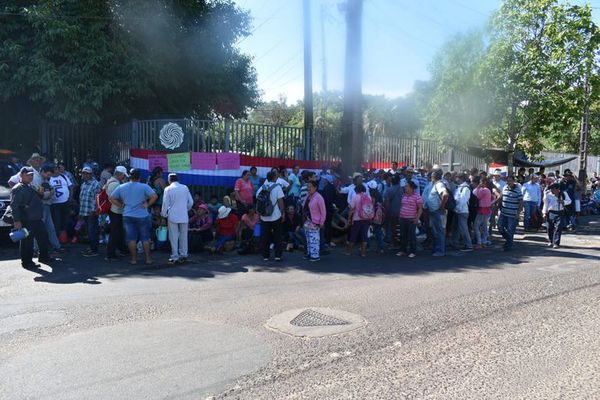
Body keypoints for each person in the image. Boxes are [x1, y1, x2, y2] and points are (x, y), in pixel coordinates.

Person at [11, 167, 57, 268]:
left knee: (43, 237)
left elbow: (37, 198)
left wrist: (40, 193)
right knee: (27, 242)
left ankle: (44, 257)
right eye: (28, 174)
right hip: (26, 219)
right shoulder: (18, 188)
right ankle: (26, 262)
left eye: (31, 175)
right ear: (21, 175)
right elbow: (14, 206)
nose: (30, 176)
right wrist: (17, 220)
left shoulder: (30, 186)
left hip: (36, 218)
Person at [109, 168, 158, 265]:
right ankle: (148, 259)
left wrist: (121, 205)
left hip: (127, 215)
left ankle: (134, 259)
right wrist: (147, 205)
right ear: (139, 177)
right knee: (145, 238)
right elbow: (155, 196)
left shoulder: (122, 186)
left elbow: (111, 198)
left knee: (131, 238)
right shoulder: (144, 186)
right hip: (142, 215)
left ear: (129, 176)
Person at [161, 173, 194, 264]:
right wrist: (185, 209)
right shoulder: (185, 187)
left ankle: (175, 256)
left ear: (169, 180)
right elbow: (191, 202)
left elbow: (165, 204)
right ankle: (184, 255)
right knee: (184, 236)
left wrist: (163, 215)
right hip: (183, 215)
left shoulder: (168, 189)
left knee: (173, 236)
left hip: (172, 215)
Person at [257, 171, 285, 261]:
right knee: (277, 236)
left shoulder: (262, 187)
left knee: (265, 236)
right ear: (274, 178)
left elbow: (257, 198)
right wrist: (283, 213)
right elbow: (281, 201)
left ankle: (265, 255)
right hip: (275, 215)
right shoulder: (277, 187)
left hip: (264, 216)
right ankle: (277, 255)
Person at [105, 166, 129, 261]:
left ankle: (122, 249)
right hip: (116, 210)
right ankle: (110, 253)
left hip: (114, 210)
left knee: (118, 231)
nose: (124, 177)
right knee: (115, 232)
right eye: (123, 175)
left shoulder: (110, 181)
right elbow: (113, 198)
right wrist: (122, 205)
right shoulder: (115, 184)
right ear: (120, 174)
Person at [39, 165, 63, 254]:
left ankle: (56, 246)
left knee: (51, 227)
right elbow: (41, 195)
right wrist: (51, 192)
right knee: (40, 228)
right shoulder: (37, 179)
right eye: (48, 174)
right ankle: (36, 249)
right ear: (42, 172)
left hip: (46, 206)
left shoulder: (45, 180)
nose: (49, 177)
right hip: (40, 207)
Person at [78, 166, 101, 257]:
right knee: (89, 231)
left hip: (92, 212)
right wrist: (80, 213)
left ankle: (94, 250)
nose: (85, 175)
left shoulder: (96, 184)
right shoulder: (83, 184)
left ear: (91, 174)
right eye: (84, 173)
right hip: (84, 212)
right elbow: (82, 198)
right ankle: (92, 247)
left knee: (93, 231)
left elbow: (97, 199)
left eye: (87, 173)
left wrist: (94, 211)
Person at [397, 181, 423, 258]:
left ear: (411, 187)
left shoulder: (417, 196)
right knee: (403, 235)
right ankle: (403, 250)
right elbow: (401, 206)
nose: (405, 188)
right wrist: (399, 215)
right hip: (402, 218)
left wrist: (417, 218)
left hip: (411, 219)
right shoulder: (403, 196)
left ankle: (413, 251)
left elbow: (420, 209)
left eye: (406, 186)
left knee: (412, 236)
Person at [497, 175, 523, 251]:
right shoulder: (504, 188)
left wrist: (518, 214)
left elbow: (521, 202)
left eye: (510, 181)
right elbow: (501, 197)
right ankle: (509, 241)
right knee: (500, 228)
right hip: (503, 213)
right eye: (507, 181)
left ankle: (508, 246)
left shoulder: (517, 190)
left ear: (513, 181)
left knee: (510, 230)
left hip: (512, 214)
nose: (509, 182)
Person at [426, 169, 449, 257]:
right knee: (436, 231)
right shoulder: (435, 184)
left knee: (439, 231)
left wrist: (441, 207)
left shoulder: (439, 184)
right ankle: (436, 249)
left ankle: (440, 251)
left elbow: (445, 195)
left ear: (433, 178)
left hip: (437, 212)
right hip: (434, 211)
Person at [303, 180, 326, 261]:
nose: (308, 188)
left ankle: (315, 256)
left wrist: (322, 222)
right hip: (307, 221)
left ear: (315, 187)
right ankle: (310, 254)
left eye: (310, 187)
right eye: (307, 187)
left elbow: (323, 211)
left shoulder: (319, 197)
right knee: (308, 240)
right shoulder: (308, 195)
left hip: (315, 222)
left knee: (314, 240)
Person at [346, 184, 372, 257]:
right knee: (364, 235)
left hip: (357, 218)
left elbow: (351, 209)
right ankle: (363, 253)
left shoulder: (355, 197)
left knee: (353, 234)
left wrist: (349, 219)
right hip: (366, 218)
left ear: (357, 190)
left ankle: (349, 252)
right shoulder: (368, 196)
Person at [49, 166, 73, 243]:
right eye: (54, 169)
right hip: (55, 204)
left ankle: (64, 238)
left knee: (65, 220)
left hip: (65, 202)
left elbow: (71, 187)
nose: (56, 170)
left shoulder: (64, 176)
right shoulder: (49, 178)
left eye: (57, 169)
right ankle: (57, 240)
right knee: (57, 221)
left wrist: (70, 198)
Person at [450, 173, 473, 252]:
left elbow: (463, 200)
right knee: (455, 228)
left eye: (457, 178)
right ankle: (455, 243)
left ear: (460, 179)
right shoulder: (459, 187)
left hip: (462, 211)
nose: (456, 179)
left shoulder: (465, 188)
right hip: (457, 211)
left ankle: (469, 245)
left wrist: (457, 208)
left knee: (463, 229)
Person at [543, 183, 571, 248]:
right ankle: (550, 241)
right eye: (551, 189)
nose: (551, 190)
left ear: (557, 189)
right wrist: (544, 213)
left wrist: (563, 201)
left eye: (553, 189)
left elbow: (569, 201)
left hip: (560, 212)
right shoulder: (548, 195)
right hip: (551, 212)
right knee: (549, 227)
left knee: (558, 228)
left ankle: (556, 243)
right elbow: (546, 204)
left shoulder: (563, 194)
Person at [473, 177, 493, 248]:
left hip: (482, 209)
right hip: (486, 209)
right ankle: (484, 241)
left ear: (484, 183)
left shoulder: (484, 190)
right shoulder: (487, 190)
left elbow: (476, 195)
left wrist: (478, 188)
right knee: (484, 226)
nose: (479, 183)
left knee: (476, 226)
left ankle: (479, 242)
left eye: (481, 182)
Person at [384, 174, 403, 248]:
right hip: (402, 211)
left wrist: (387, 211)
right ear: (399, 181)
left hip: (392, 212)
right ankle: (401, 243)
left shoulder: (388, 190)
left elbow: (387, 202)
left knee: (393, 228)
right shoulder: (402, 189)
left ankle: (394, 243)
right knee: (401, 228)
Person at [319, 174, 337, 247]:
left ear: (327, 181)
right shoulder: (331, 187)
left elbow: (326, 200)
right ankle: (328, 240)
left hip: (327, 209)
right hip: (330, 209)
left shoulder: (327, 188)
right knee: (328, 224)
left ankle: (327, 241)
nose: (323, 180)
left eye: (324, 179)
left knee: (327, 225)